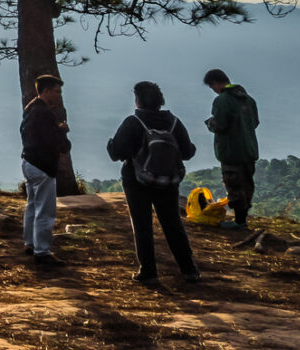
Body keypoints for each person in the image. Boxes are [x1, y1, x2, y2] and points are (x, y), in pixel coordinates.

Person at [106, 80, 203, 285]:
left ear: (138, 100)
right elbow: (187, 152)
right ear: (160, 101)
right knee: (173, 224)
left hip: (137, 181)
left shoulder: (133, 122)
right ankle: (189, 269)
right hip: (168, 181)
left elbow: (117, 153)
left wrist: (111, 145)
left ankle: (148, 272)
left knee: (142, 225)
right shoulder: (174, 122)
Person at [20, 74, 71, 267]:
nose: (59, 96)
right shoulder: (45, 114)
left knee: (32, 205)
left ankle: (30, 243)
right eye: (57, 91)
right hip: (43, 166)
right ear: (46, 91)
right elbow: (55, 143)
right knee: (45, 210)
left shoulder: (31, 110)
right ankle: (42, 251)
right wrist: (63, 133)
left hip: (29, 162)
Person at [202, 68, 261, 231]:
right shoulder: (249, 100)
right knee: (247, 185)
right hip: (249, 150)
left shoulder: (222, 100)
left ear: (215, 83)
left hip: (231, 152)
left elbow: (220, 125)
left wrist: (209, 123)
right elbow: (254, 123)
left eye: (212, 86)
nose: (213, 90)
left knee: (234, 185)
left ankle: (239, 223)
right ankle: (242, 220)